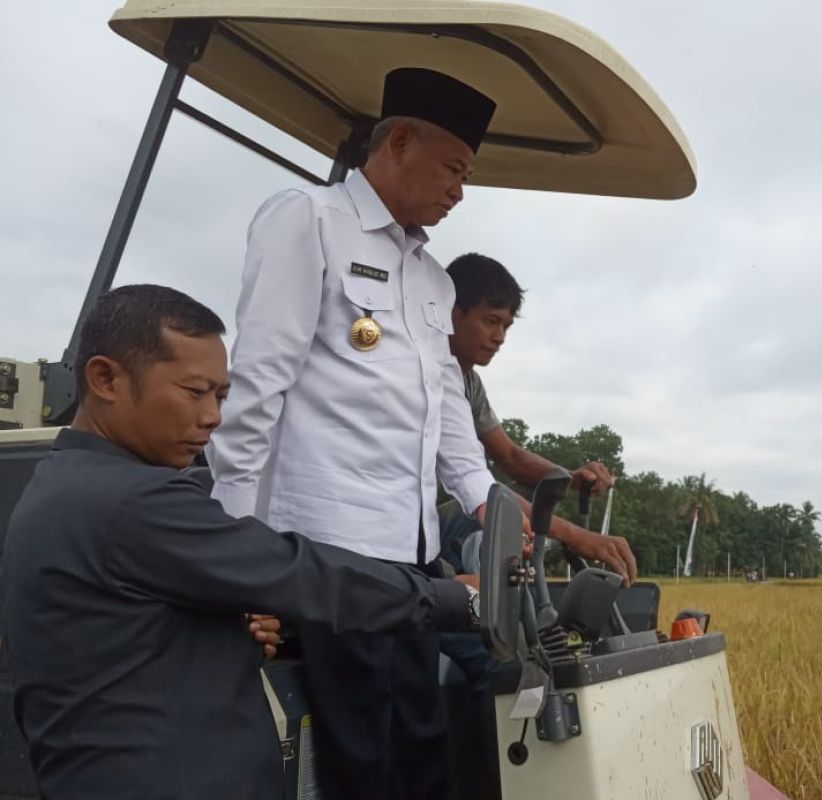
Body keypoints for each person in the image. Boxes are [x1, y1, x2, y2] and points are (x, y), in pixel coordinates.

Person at [0, 285, 479, 800]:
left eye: (221, 396)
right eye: (193, 391)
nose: (212, 417)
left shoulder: (67, 484)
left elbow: (126, 642)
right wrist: (457, 599)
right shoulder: (130, 500)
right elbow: (296, 571)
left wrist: (225, 629)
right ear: (105, 378)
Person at [206, 68, 500, 799]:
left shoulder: (432, 278)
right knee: (359, 756)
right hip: (327, 548)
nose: (460, 190)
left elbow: (444, 402)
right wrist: (235, 554)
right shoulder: (307, 220)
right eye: (453, 168)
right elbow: (257, 388)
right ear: (399, 141)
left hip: (410, 555)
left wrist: (484, 495)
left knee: (423, 741)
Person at [437, 252, 636, 584]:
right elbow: (480, 486)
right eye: (490, 321)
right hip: (406, 521)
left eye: (506, 326)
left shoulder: (468, 381)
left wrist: (571, 478)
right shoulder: (431, 370)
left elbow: (511, 457)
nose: (500, 337)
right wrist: (577, 537)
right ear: (453, 313)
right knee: (479, 516)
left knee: (515, 508)